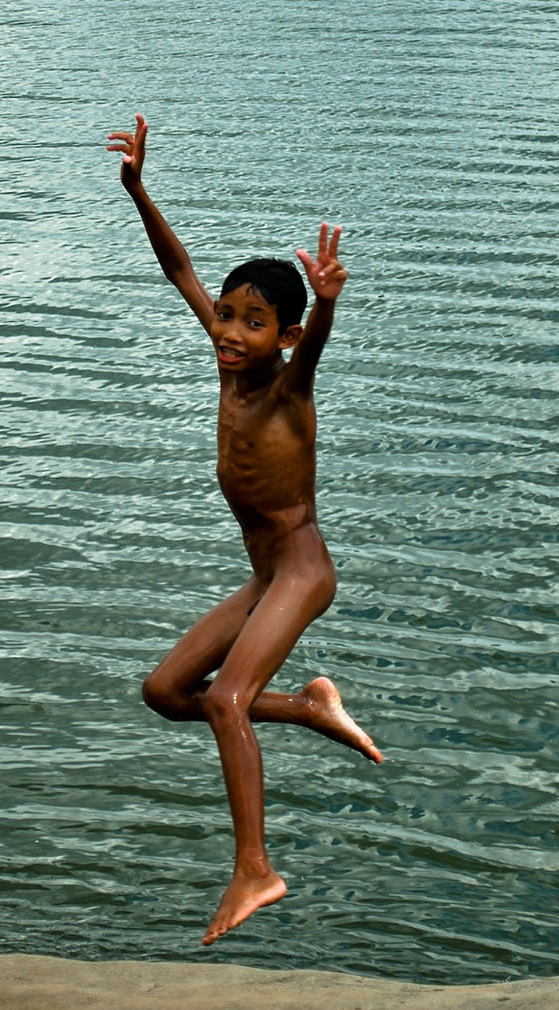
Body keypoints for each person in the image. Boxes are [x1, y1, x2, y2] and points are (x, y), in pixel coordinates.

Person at [107, 113, 382, 946]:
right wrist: (138, 190)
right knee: (166, 693)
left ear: (285, 338)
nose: (229, 331)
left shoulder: (287, 389)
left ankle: (255, 866)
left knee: (226, 698)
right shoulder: (227, 358)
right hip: (265, 573)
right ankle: (307, 707)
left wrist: (327, 305)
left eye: (252, 322)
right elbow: (180, 268)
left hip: (301, 570)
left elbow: (316, 346)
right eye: (227, 315)